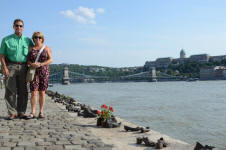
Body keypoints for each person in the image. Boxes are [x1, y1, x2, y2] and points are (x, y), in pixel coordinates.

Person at [0, 19, 33, 120]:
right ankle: (12, 112)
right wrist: (4, 67)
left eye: (20, 26)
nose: (18, 27)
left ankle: (21, 112)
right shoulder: (6, 39)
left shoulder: (28, 40)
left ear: (23, 27)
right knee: (10, 90)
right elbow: (1, 55)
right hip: (10, 66)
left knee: (23, 91)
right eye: (17, 26)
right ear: (13, 27)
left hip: (24, 67)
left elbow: (33, 53)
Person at [27, 31, 52, 119]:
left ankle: (41, 112)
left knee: (42, 92)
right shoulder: (31, 48)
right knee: (33, 92)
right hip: (34, 72)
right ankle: (32, 112)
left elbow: (50, 60)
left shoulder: (46, 48)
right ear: (33, 39)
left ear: (42, 39)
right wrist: (32, 64)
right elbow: (28, 60)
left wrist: (41, 64)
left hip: (44, 72)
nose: (38, 39)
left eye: (39, 37)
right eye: (36, 37)